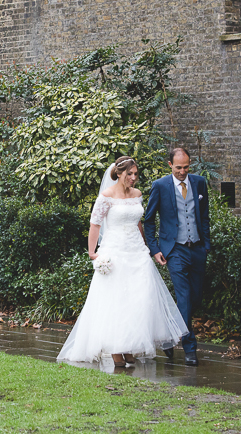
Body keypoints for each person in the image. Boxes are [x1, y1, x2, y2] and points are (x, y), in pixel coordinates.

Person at [57, 156, 188, 366]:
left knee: (139, 300)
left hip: (136, 252)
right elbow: (95, 224)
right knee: (117, 301)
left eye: (136, 174)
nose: (134, 178)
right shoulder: (106, 196)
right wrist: (93, 252)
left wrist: (146, 246)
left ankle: (129, 347)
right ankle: (116, 350)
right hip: (115, 252)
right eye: (130, 174)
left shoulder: (137, 195)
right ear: (119, 174)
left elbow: (138, 223)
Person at [143, 147, 211, 366]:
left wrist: (206, 245)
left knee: (195, 298)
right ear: (170, 165)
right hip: (175, 250)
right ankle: (190, 348)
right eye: (179, 167)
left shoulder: (199, 183)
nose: (183, 171)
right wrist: (155, 249)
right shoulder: (160, 186)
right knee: (183, 296)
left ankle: (168, 336)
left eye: (187, 167)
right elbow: (149, 219)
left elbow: (205, 215)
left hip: (197, 248)